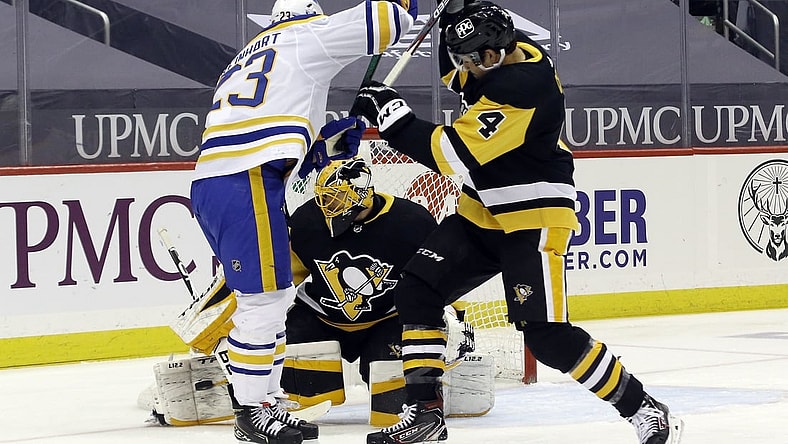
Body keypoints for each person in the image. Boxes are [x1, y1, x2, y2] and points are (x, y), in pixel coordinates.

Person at [353, 2, 685, 444]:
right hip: (484, 209)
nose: (465, 68)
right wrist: (455, 15)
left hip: (534, 215)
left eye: (473, 60)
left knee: (547, 338)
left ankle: (644, 408)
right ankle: (426, 414)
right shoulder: (505, 52)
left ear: (495, 55)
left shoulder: (525, 86)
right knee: (418, 289)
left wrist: (392, 118)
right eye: (462, 56)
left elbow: (451, 156)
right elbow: (456, 67)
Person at [188, 0, 417, 443]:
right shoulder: (307, 35)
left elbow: (270, 129)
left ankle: (265, 402)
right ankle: (252, 410)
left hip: (221, 180)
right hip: (246, 180)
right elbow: (388, 20)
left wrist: (324, 146)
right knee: (265, 302)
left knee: (270, 300)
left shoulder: (247, 55)